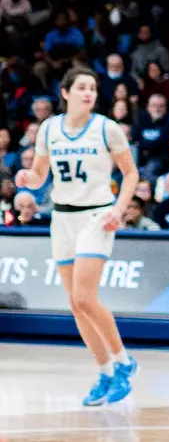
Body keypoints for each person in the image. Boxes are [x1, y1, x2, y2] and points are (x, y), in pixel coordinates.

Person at [14, 67, 141, 405]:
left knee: (85, 297)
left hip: (97, 217)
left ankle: (125, 363)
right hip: (62, 219)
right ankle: (104, 372)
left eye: (93, 88)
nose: (89, 93)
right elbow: (41, 175)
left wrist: (118, 209)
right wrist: (28, 177)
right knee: (74, 305)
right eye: (82, 87)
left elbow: (131, 174)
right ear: (65, 92)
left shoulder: (106, 128)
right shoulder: (49, 129)